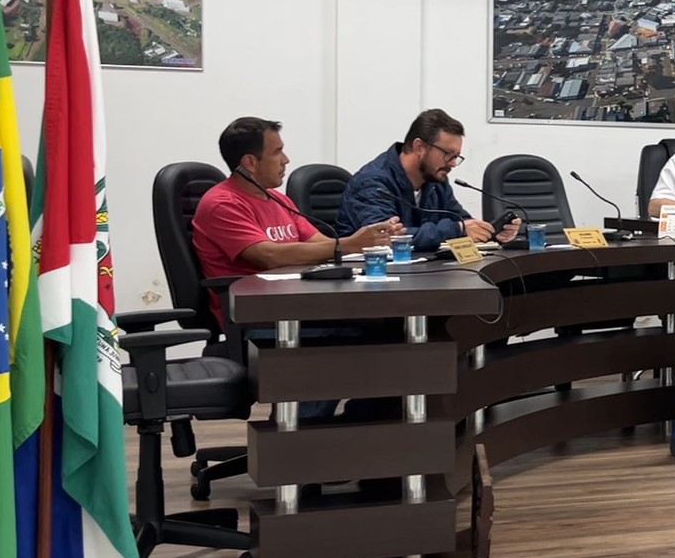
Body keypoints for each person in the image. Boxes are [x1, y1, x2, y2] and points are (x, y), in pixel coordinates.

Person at [192, 117, 401, 421]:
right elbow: (268, 256)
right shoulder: (222, 203)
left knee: (388, 325)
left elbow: (322, 244)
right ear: (250, 162)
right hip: (255, 317)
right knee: (359, 331)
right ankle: (303, 435)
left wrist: (369, 241)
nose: (286, 160)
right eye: (277, 152)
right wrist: (350, 244)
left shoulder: (278, 199)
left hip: (295, 306)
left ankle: (364, 426)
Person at [336, 108, 521, 251]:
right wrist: (458, 230)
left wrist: (490, 232)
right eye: (448, 154)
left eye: (456, 156)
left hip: (422, 271)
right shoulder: (372, 182)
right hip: (370, 278)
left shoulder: (436, 179)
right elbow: (385, 239)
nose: (453, 164)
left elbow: (459, 219)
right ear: (419, 147)